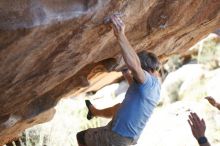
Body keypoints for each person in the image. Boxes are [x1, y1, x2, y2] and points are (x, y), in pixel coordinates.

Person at [76, 14, 161, 146]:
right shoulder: (154, 86)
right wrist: (126, 72)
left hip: (117, 137)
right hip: (126, 137)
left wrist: (120, 35)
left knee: (81, 137)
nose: (134, 74)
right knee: (119, 107)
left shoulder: (147, 81)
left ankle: (94, 112)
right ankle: (93, 111)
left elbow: (135, 65)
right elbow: (135, 85)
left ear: (146, 70)